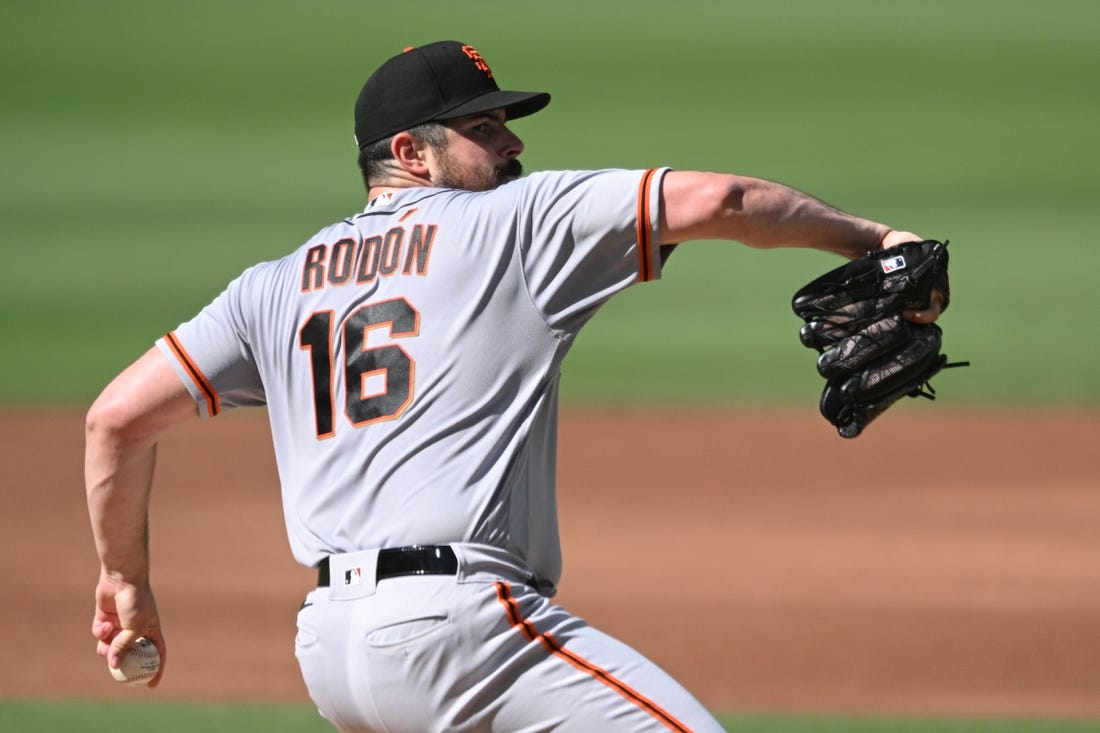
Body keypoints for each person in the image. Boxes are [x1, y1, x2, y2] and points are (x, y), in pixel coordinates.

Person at [86, 40, 941, 732]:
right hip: (463, 632)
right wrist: (873, 239)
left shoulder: (271, 287)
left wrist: (126, 580)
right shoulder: (511, 223)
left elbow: (116, 420)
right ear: (410, 152)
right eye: (484, 128)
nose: (513, 145)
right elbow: (723, 197)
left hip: (331, 654)